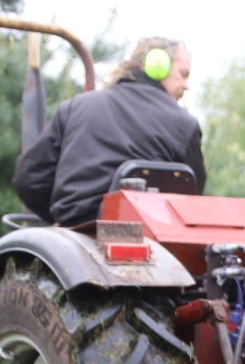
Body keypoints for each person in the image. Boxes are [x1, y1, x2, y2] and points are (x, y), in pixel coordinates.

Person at [12, 36, 207, 225]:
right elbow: (192, 199)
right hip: (147, 240)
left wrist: (64, 218)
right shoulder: (185, 124)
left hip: (73, 234)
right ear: (158, 65)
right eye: (183, 74)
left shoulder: (74, 108)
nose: (186, 85)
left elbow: (29, 180)